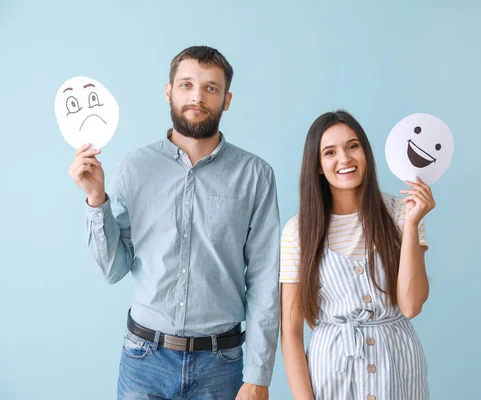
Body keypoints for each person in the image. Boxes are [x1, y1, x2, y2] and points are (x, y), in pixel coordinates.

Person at [69, 46, 280, 400]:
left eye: (211, 88)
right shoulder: (133, 168)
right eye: (186, 85)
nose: (197, 96)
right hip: (144, 360)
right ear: (169, 92)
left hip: (221, 365)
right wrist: (96, 200)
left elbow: (264, 280)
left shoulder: (255, 175)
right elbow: (113, 269)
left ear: (226, 100)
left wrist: (259, 375)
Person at [280, 110, 434, 399]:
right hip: (332, 371)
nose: (345, 159)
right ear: (317, 166)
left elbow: (411, 306)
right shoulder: (297, 232)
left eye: (353, 146)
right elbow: (290, 332)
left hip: (397, 368)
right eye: (330, 152)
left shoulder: (403, 214)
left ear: (366, 152)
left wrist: (412, 225)